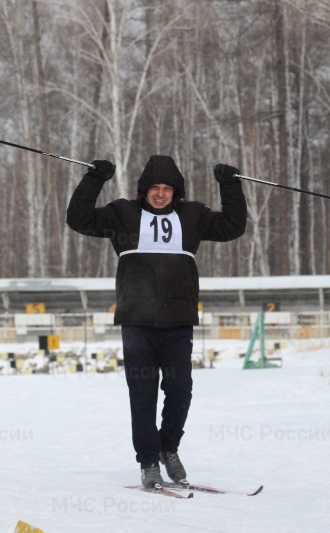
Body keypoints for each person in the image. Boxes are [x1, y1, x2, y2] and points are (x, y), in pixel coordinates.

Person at [66, 155, 247, 489]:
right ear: (144, 190)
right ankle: (149, 461)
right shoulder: (122, 215)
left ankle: (168, 448)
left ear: (175, 192)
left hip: (178, 322)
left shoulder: (193, 216)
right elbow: (78, 218)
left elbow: (233, 227)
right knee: (143, 394)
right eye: (154, 188)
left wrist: (230, 185)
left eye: (167, 189)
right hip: (137, 323)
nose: (160, 194)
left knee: (180, 391)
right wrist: (94, 179)